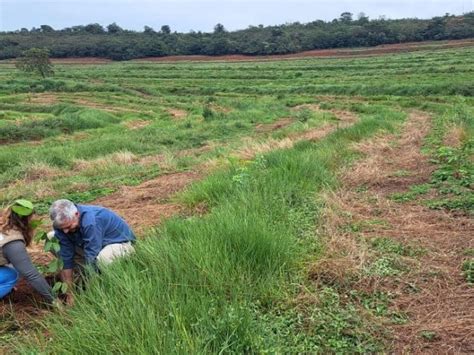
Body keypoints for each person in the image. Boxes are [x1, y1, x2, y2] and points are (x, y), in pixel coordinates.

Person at [49, 199, 135, 304]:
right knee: (51, 238)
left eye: (68, 227)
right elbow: (66, 258)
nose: (65, 231)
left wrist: (90, 294)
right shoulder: (61, 226)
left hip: (120, 245)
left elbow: (91, 257)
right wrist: (70, 294)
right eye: (62, 229)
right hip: (91, 246)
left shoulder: (91, 221)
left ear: (76, 214)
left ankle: (106, 282)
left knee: (103, 258)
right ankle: (81, 275)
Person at [0, 200, 55, 303]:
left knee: (16, 267)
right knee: (12, 275)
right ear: (27, 220)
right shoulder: (13, 241)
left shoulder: (3, 224)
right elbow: (32, 275)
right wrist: (54, 300)